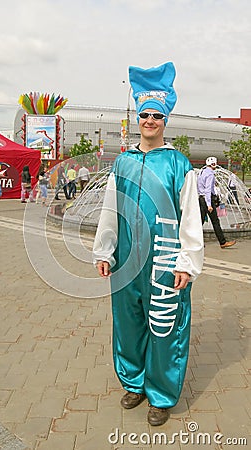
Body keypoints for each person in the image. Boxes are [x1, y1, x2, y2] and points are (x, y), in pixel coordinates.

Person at [93, 62, 204, 427]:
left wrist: (187, 262)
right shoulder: (122, 163)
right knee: (127, 325)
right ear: (138, 118)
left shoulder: (178, 164)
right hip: (126, 262)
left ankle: (160, 395)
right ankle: (134, 383)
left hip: (164, 263)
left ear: (165, 120)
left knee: (165, 327)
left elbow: (190, 216)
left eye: (157, 115)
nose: (150, 120)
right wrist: (105, 250)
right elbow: (111, 210)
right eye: (145, 115)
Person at [197, 157, 236, 248]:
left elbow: (199, 187)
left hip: (201, 198)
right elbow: (208, 190)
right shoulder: (210, 174)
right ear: (213, 164)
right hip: (207, 199)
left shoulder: (202, 172)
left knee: (200, 221)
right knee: (215, 221)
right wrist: (209, 204)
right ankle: (222, 242)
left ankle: (196, 242)